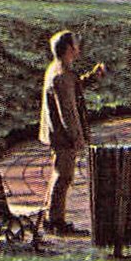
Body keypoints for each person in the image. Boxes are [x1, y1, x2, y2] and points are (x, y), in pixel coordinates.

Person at [38, 30, 107, 235]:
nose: (78, 48)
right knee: (63, 176)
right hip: (63, 136)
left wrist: (92, 78)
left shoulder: (60, 70)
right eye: (76, 45)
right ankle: (55, 220)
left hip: (57, 134)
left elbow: (74, 86)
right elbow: (67, 112)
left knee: (59, 174)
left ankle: (50, 216)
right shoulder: (60, 75)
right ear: (69, 48)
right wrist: (77, 139)